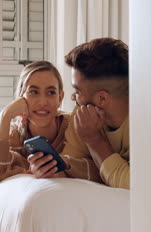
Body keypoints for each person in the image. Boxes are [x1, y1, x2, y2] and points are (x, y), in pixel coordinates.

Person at [28, 38, 130, 189]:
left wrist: (94, 140)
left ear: (101, 98)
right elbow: (77, 168)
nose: (73, 98)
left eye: (77, 91)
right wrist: (59, 169)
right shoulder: (82, 115)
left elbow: (133, 184)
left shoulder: (145, 121)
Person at [0, 61, 70, 187]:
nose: (43, 102)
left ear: (60, 98)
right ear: (21, 97)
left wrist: (65, 169)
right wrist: (5, 116)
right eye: (33, 92)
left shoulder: (74, 126)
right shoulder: (14, 135)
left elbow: (98, 167)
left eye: (51, 93)